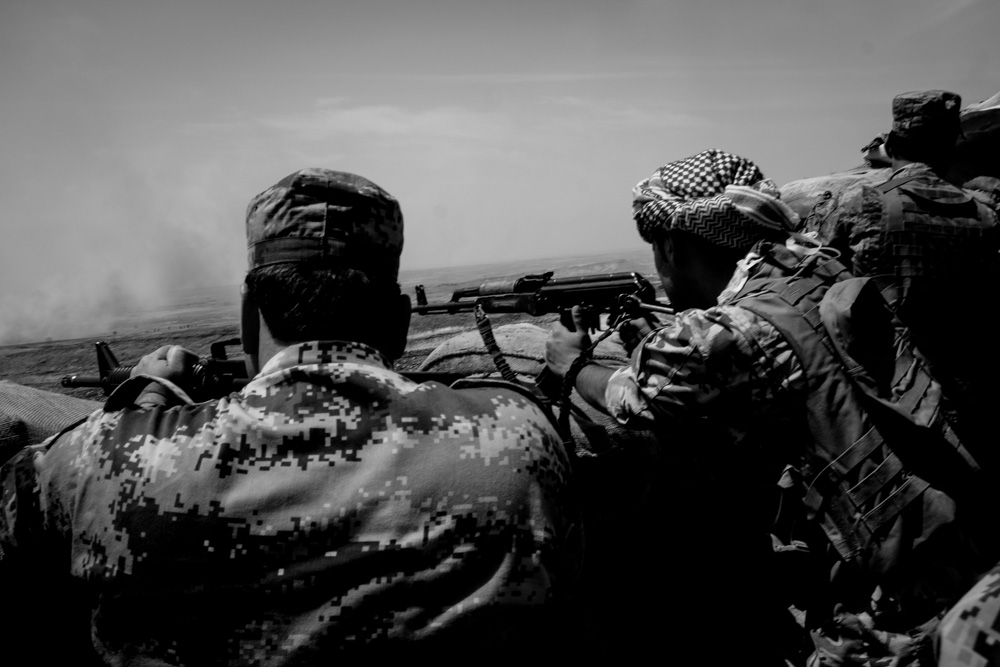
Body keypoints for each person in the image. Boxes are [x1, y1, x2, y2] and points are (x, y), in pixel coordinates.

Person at [0, 168, 581, 663]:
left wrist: (148, 399)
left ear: (251, 312)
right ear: (401, 322)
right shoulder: (518, 432)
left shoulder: (99, 458)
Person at [545, 148, 997, 666]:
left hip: (907, 604)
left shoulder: (726, 332)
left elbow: (633, 397)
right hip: (966, 536)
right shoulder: (816, 267)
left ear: (670, 244)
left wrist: (573, 366)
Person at [801, 90, 1000, 467]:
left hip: (889, 405)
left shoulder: (861, 200)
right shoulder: (987, 215)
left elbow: (818, 276)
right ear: (951, 146)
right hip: (974, 407)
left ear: (891, 144)